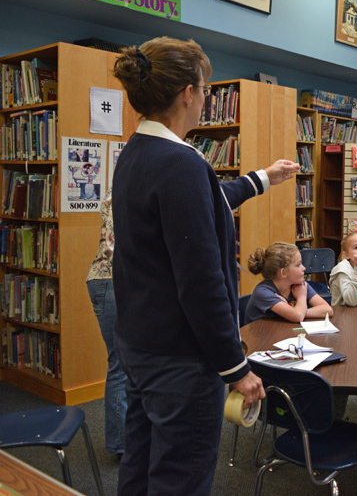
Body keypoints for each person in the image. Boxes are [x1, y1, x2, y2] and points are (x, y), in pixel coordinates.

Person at [111, 36, 299, 496]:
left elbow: (202, 206)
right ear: (187, 94)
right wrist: (234, 366)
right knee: (180, 479)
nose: (208, 97)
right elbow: (201, 281)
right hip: (181, 360)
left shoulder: (136, 152)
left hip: (140, 346)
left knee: (139, 466)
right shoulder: (181, 163)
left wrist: (261, 179)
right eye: (206, 88)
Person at [86, 188, 125, 458]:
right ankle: (121, 444)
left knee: (124, 364)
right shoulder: (128, 191)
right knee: (121, 365)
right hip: (114, 281)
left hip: (104, 280)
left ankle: (126, 440)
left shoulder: (120, 186)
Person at [244, 242, 333, 325]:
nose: (304, 268)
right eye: (298, 265)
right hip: (258, 338)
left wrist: (299, 312)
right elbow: (297, 316)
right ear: (283, 272)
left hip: (280, 335)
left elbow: (328, 310)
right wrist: (301, 298)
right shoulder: (263, 292)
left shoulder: (299, 285)